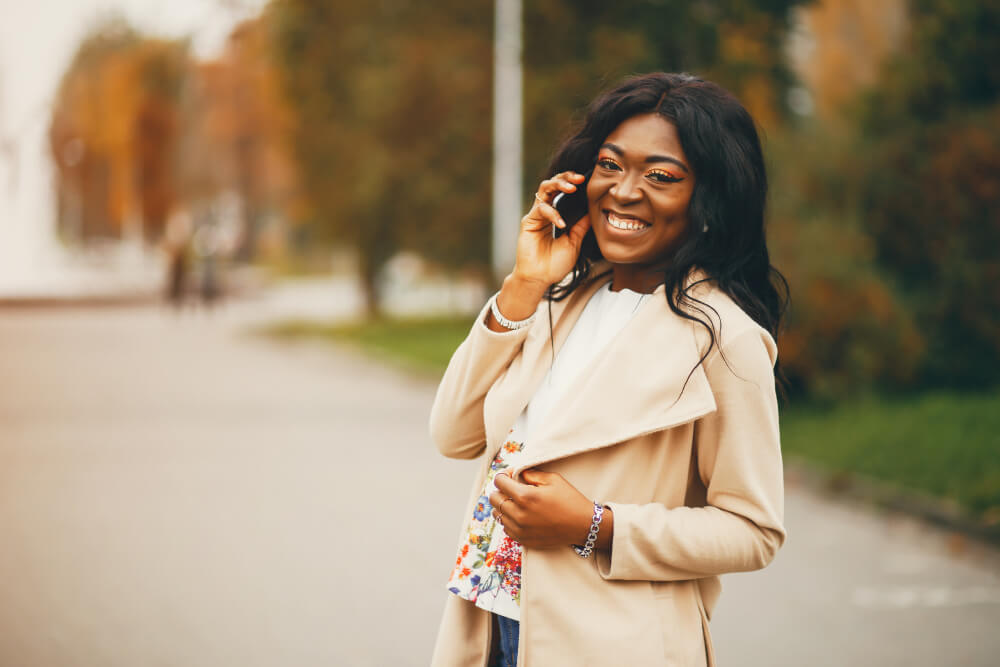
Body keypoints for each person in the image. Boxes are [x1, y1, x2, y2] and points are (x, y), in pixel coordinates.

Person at [429, 72, 788, 667]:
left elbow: (753, 531)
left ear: (710, 199)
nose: (623, 192)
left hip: (616, 645)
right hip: (495, 627)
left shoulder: (724, 339)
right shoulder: (559, 298)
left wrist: (597, 525)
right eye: (609, 165)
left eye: (662, 177)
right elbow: (453, 433)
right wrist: (522, 286)